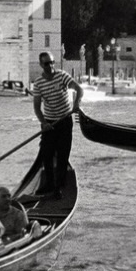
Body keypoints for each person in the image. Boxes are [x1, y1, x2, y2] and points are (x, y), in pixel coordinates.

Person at [32, 51, 82, 198]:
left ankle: (58, 187)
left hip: (65, 121)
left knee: (62, 156)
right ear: (41, 65)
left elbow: (79, 89)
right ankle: (48, 184)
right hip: (49, 123)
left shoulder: (61, 76)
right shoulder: (38, 83)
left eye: (52, 62)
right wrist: (44, 123)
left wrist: (76, 104)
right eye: (47, 63)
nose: (51, 66)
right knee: (46, 154)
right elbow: (36, 107)